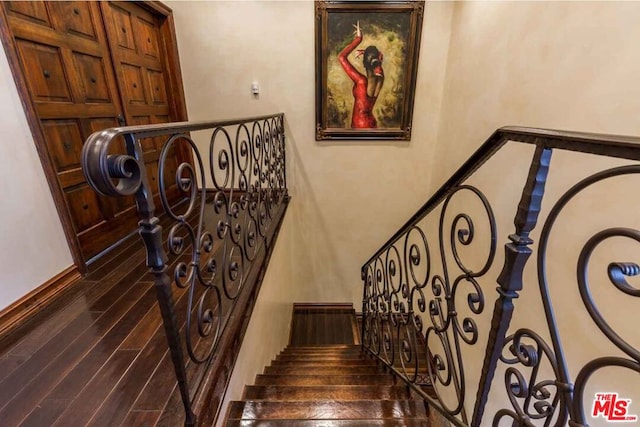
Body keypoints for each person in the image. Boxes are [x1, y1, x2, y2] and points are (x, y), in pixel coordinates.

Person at [338, 21, 384, 128]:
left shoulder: (361, 81)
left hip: (359, 125)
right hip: (372, 124)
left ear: (364, 63)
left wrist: (358, 39)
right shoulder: (381, 79)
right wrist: (366, 53)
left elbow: (341, 57)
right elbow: (378, 59)